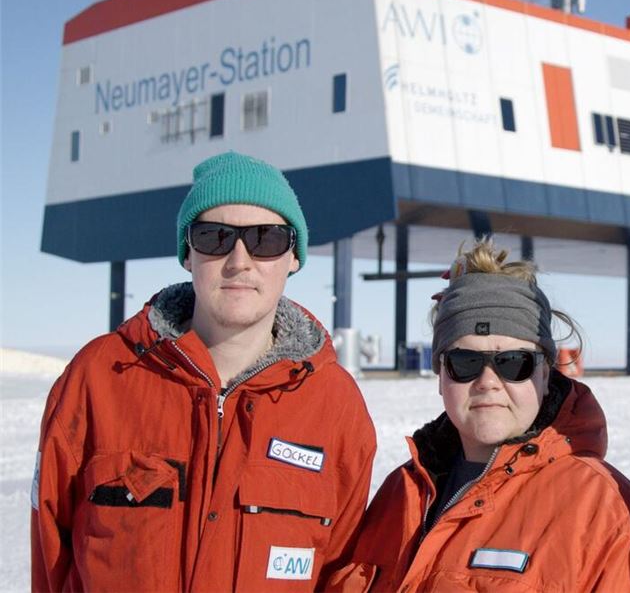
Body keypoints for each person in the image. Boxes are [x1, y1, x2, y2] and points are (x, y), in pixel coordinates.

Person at [31, 152, 376, 591]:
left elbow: (339, 572)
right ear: (187, 254)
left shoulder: (336, 406)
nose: (239, 260)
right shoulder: (97, 378)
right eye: (214, 236)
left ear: (294, 257)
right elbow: (49, 560)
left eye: (266, 238)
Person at [331, 238, 630, 592]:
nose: (487, 382)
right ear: (440, 374)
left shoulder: (601, 507)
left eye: (513, 363)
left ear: (544, 375)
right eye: (465, 362)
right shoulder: (400, 493)